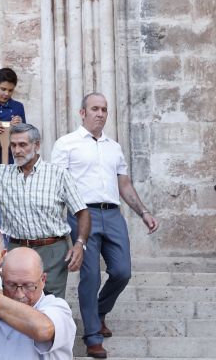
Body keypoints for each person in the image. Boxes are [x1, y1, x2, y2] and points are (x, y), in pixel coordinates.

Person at [51, 92, 160, 358]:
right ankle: (92, 335)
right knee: (90, 275)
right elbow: (56, 184)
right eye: (95, 109)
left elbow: (124, 184)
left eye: (104, 109)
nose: (100, 114)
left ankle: (98, 311)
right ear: (82, 112)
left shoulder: (114, 147)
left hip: (112, 215)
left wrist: (143, 211)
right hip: (82, 215)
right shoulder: (66, 144)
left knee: (122, 271)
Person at [0, 123, 90, 298]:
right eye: (13, 145)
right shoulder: (1, 173)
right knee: (17, 303)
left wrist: (80, 243)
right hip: (16, 249)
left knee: (52, 304)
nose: (17, 150)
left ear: (36, 145)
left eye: (22, 144)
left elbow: (82, 212)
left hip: (53, 251)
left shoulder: (58, 174)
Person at [0, 247, 76, 360]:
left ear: (43, 280)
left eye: (28, 286)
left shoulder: (58, 307)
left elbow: (43, 330)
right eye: (11, 285)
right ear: (1, 278)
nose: (19, 294)